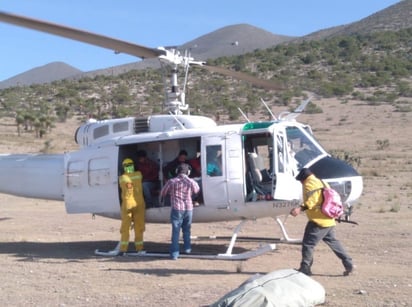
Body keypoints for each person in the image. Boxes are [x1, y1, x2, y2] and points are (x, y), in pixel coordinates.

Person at [290, 168, 354, 276]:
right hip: (328, 219)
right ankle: (349, 263)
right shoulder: (321, 181)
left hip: (318, 221)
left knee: (308, 244)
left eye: (300, 180)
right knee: (333, 242)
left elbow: (312, 201)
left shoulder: (308, 184)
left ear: (303, 179)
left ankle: (305, 268)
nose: (300, 183)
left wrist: (299, 209)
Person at [160, 163, 200, 260]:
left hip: (177, 209)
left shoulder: (171, 182)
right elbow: (197, 191)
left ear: (177, 171)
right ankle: (187, 249)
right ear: (188, 172)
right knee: (187, 230)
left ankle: (174, 254)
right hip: (189, 209)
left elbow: (163, 192)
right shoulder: (191, 182)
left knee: (176, 232)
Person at [118, 158, 146, 254]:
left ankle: (123, 249)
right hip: (139, 203)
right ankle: (139, 248)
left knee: (125, 228)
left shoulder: (122, 178)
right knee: (139, 227)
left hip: (127, 204)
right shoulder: (138, 175)